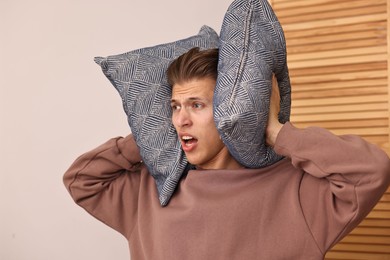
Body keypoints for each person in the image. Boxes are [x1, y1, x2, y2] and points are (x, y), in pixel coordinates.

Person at [64, 47, 390, 260]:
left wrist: (276, 132)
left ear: (230, 111)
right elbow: (81, 180)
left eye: (197, 105)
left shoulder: (297, 191)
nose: (181, 119)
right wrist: (151, 135)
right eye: (175, 107)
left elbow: (371, 171)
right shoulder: (149, 191)